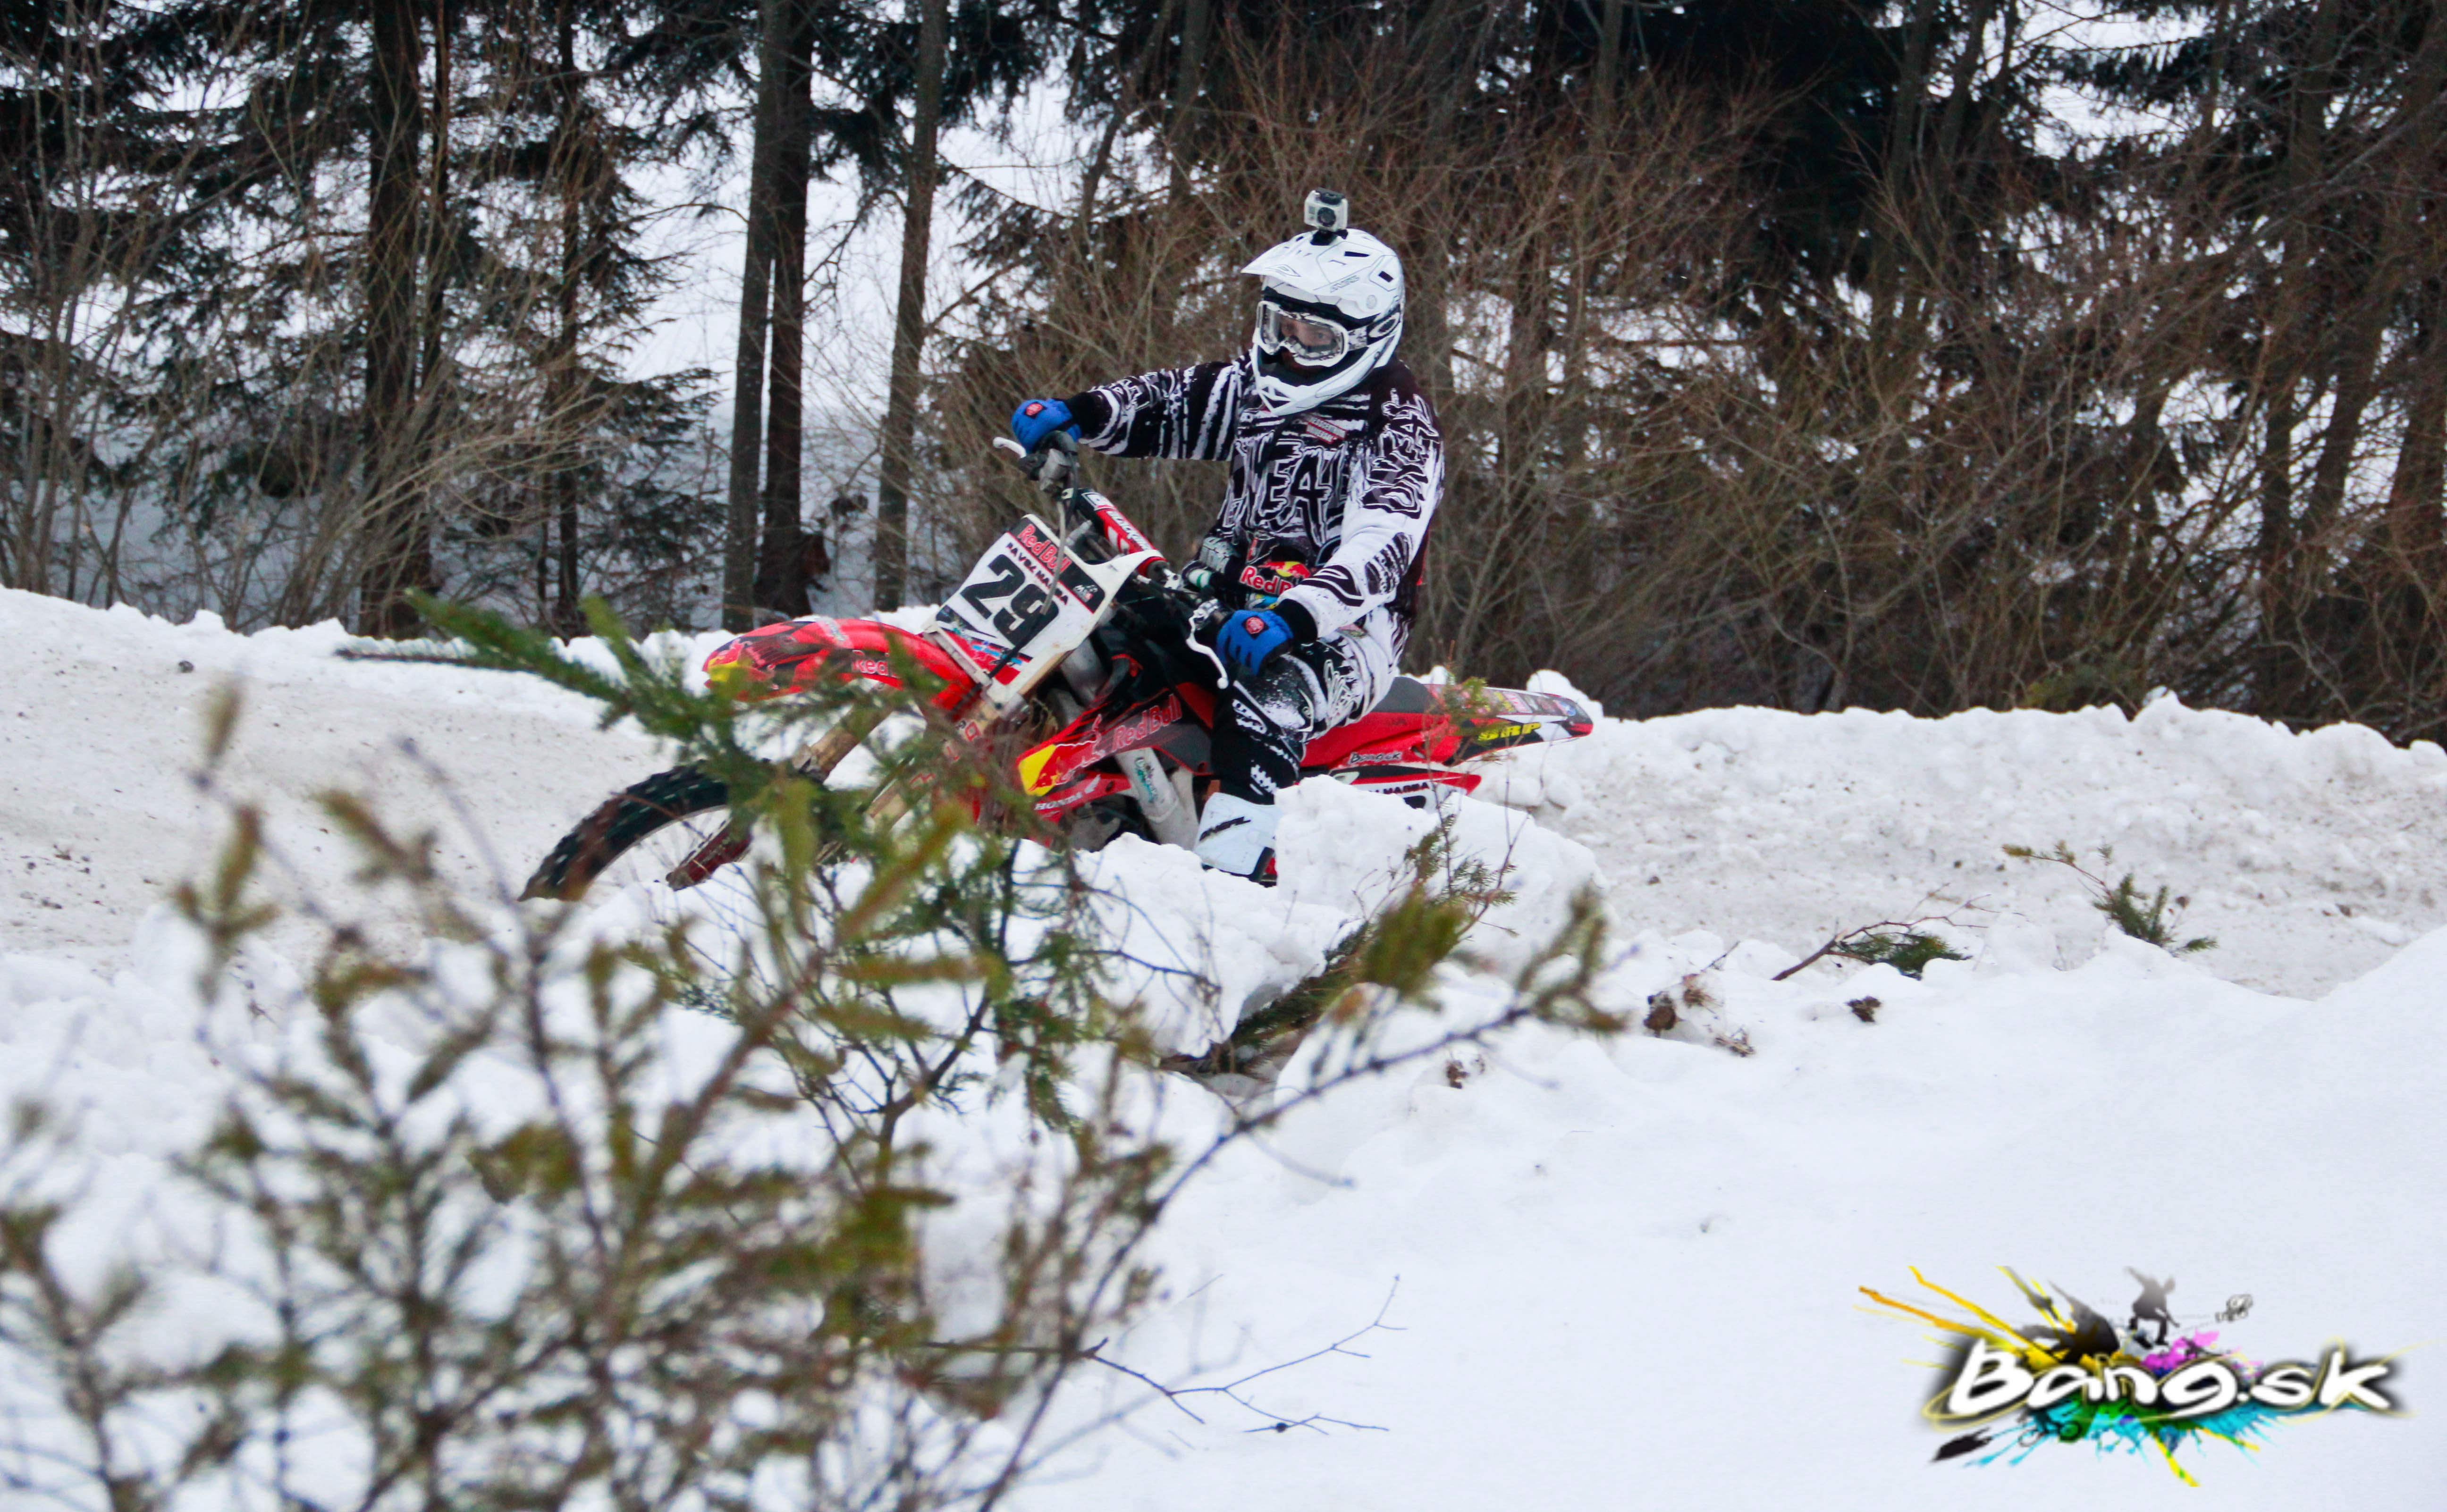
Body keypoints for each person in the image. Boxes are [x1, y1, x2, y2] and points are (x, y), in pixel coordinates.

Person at [1010, 190, 1442, 883]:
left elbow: (1381, 546)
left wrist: (1297, 616)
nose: (1287, 349)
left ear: (1367, 337)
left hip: (1339, 632)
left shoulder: (1395, 426)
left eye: (1314, 339)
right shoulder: (1256, 388)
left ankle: (1234, 888)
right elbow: (1176, 402)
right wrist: (1081, 413)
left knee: (1266, 702)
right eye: (1278, 327)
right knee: (1101, 633)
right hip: (1219, 597)